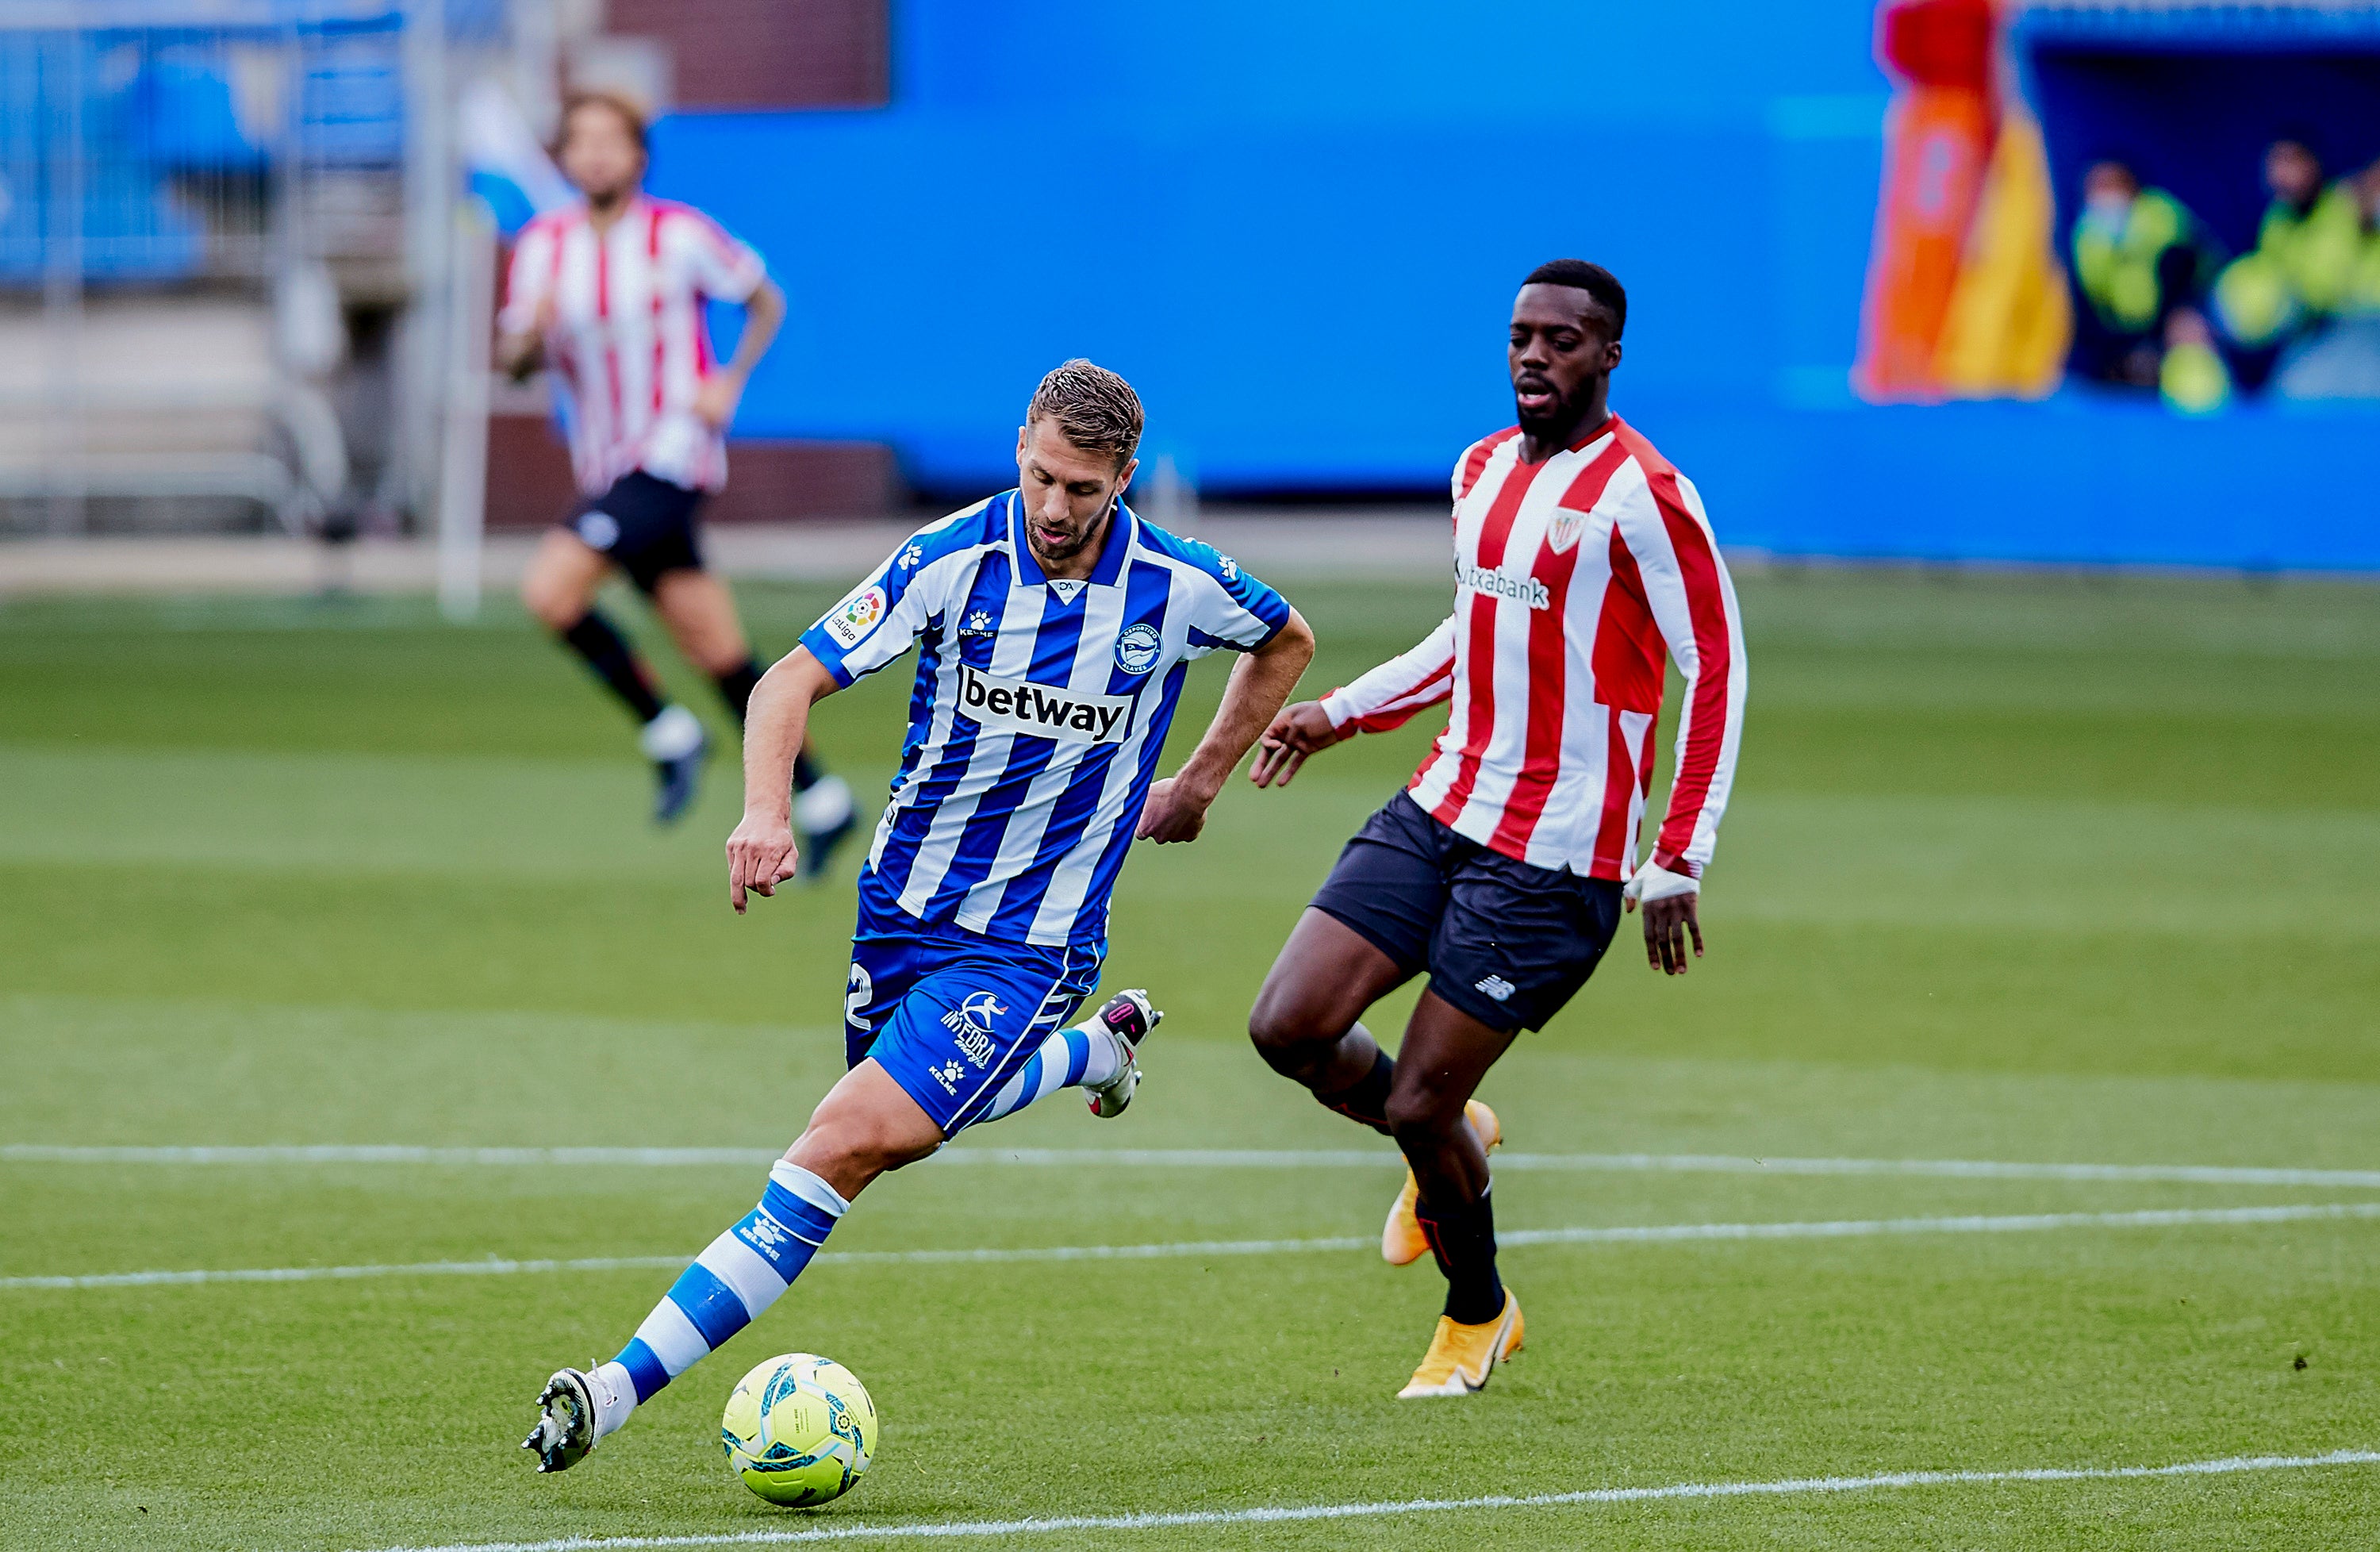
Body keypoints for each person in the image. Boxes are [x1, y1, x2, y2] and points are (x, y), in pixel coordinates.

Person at [523, 360, 1317, 1471]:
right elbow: (783, 682)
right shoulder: (948, 561)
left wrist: (1197, 783)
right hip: (899, 914)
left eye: (1084, 490)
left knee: (840, 1147)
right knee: (900, 1134)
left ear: (1125, 480)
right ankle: (1092, 1055)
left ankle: (613, 1389)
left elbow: (1287, 641)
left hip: (1033, 940)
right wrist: (765, 810)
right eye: (1042, 477)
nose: (1055, 509)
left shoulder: (1178, 587)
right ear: (1018, 452)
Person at [1242, 261, 1746, 1399]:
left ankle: (1477, 1315)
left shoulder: (1646, 496)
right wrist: (1340, 713)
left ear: (1608, 355)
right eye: (1521, 336)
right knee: (1290, 1027)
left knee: (1412, 1101)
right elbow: (1470, 634)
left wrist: (1679, 854)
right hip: (1443, 806)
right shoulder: (1478, 471)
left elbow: (1714, 661)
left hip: (1558, 857)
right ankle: (1456, 1132)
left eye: (1561, 341)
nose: (1534, 357)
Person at [497, 89, 855, 855]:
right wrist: (529, 335)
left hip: (669, 456)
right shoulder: (542, 248)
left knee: (550, 591)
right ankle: (822, 798)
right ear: (564, 156)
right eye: (580, 140)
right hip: (606, 466)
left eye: (609, 140)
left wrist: (727, 382)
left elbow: (765, 300)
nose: (593, 153)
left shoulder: (677, 233)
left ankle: (667, 733)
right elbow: (518, 364)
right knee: (717, 649)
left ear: (637, 156)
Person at [2067, 159, 2221, 392]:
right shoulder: (2087, 236)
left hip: (2174, 333)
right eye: (2096, 188)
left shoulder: (2163, 219)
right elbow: (2090, 309)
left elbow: (2185, 285)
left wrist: (2158, 340)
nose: (2103, 197)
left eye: (2110, 186)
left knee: (2193, 377)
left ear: (2132, 186)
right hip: (2124, 338)